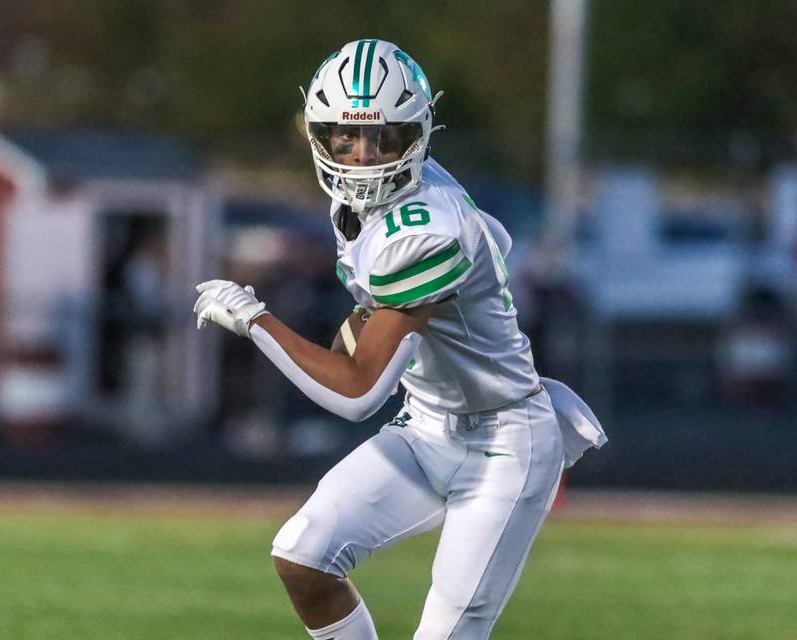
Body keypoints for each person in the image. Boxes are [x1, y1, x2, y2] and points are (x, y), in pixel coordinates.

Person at [194, 39, 606, 640]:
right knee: (303, 555)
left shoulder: (428, 229)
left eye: (384, 138)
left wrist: (255, 320)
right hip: (428, 427)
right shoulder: (387, 203)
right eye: (346, 137)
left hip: (503, 443)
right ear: (320, 134)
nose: (363, 156)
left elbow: (358, 393)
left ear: (416, 134)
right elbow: (492, 240)